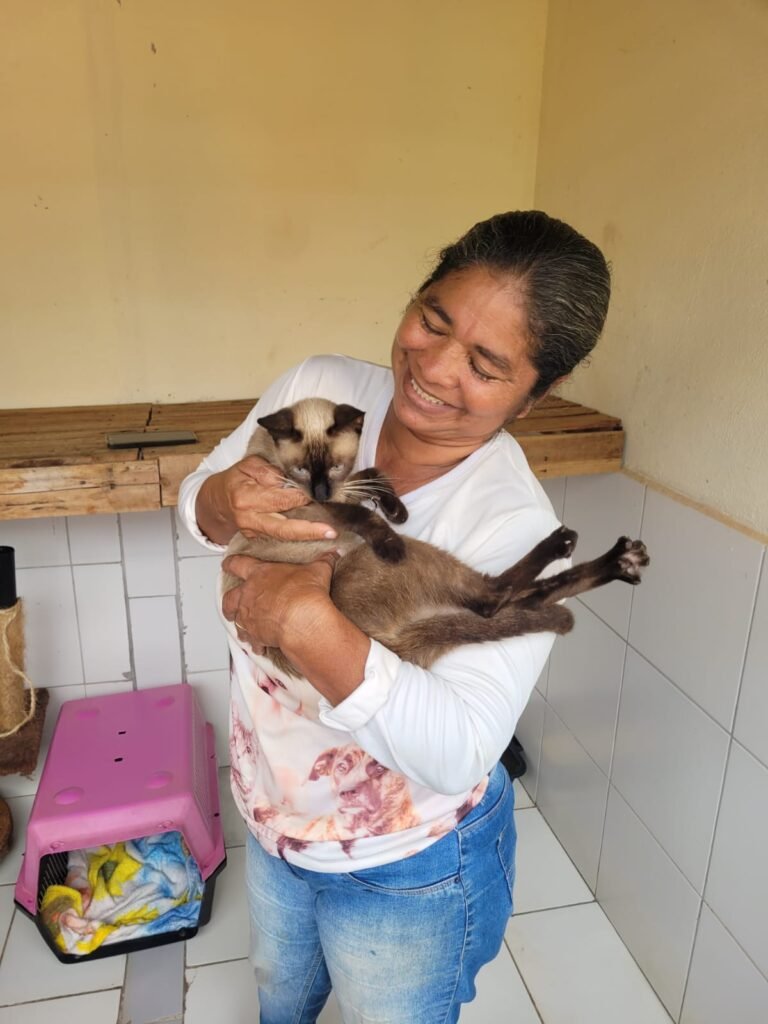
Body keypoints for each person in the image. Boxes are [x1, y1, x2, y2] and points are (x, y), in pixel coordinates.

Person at [178, 210, 610, 1023]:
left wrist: (308, 624)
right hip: (271, 817)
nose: (435, 368)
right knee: (282, 1007)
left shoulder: (512, 522)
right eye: (431, 321)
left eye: (485, 363)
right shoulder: (320, 391)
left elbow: (457, 750)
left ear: (538, 391)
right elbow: (199, 509)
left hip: (408, 864)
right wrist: (217, 496)